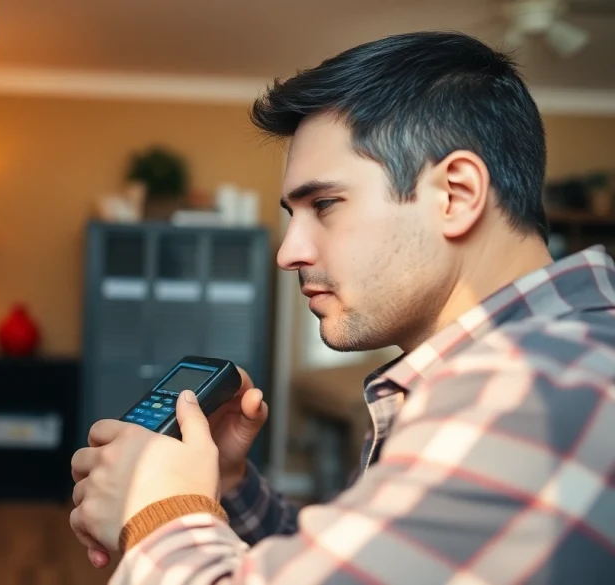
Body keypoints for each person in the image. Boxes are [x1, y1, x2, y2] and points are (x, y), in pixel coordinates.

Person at [69, 30, 615, 584]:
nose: (287, 253)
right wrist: (228, 485)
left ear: (456, 195)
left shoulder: (536, 386)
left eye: (325, 205)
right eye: (292, 215)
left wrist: (157, 509)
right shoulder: (541, 366)